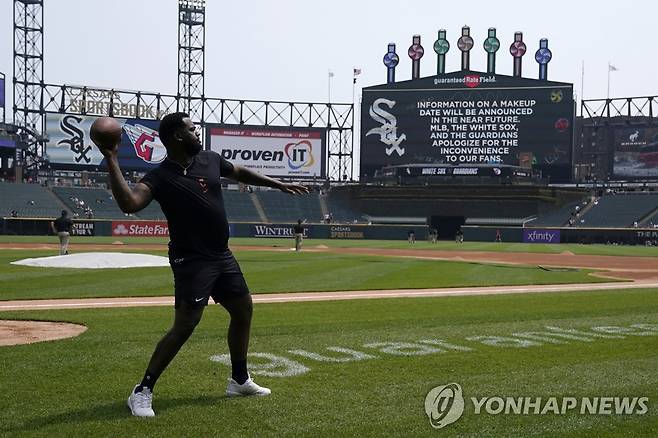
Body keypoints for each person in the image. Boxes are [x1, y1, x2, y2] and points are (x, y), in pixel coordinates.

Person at [92, 113, 308, 417]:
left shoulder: (210, 159)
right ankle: (142, 391)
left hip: (222, 255)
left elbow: (241, 172)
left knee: (243, 309)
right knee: (185, 324)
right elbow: (129, 204)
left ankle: (239, 379)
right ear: (178, 136)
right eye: (193, 130)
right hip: (191, 260)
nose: (198, 133)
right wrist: (112, 157)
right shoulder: (159, 177)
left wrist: (276, 183)